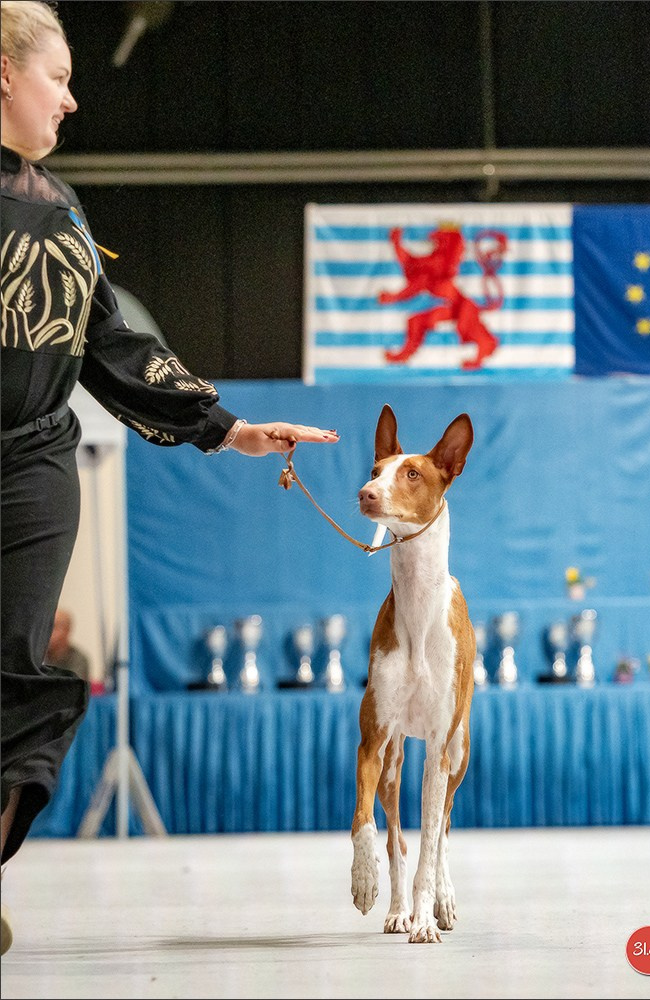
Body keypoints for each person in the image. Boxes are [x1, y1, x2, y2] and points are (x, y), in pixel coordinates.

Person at [0, 0, 339, 955]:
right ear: (2, 73)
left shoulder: (61, 209)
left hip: (30, 464)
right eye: (58, 77)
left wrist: (224, 427)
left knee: (15, 678)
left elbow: (110, 341)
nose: (70, 101)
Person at [45, 608, 91, 686]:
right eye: (46, 627)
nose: (49, 632)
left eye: (54, 627)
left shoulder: (79, 659)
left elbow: (73, 688)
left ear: (67, 630)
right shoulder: (39, 656)